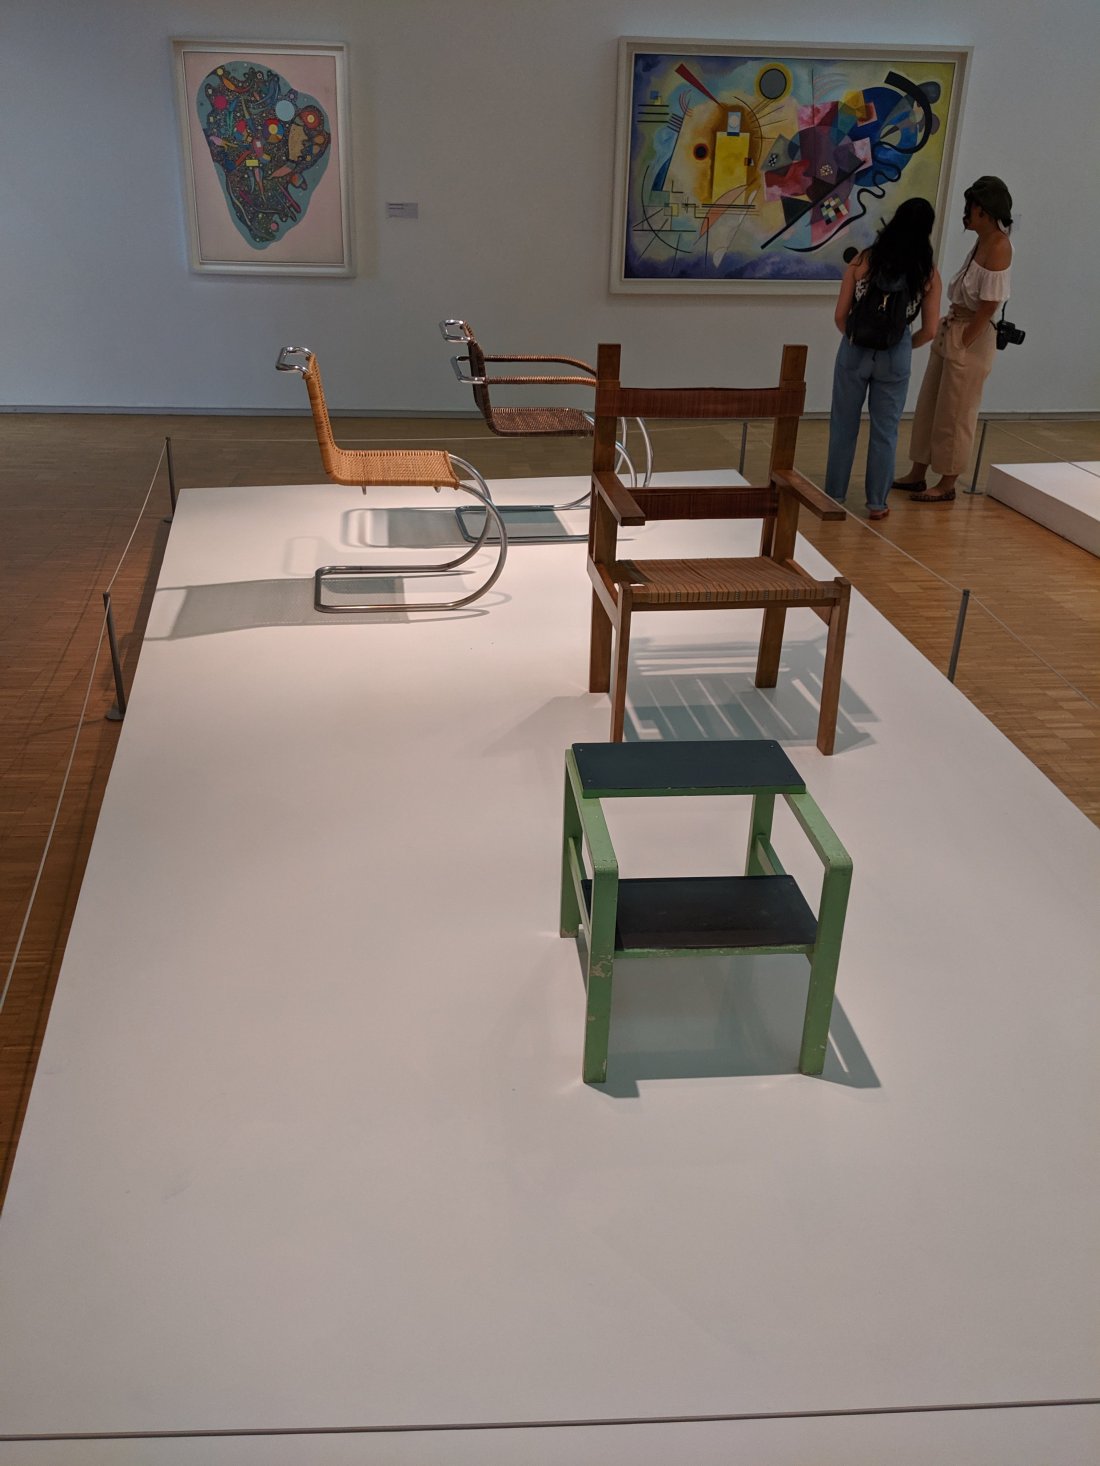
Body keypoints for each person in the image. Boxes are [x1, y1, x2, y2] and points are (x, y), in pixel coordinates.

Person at [894, 176, 1014, 502]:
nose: (967, 214)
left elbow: (989, 305)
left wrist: (964, 341)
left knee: (957, 411)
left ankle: (947, 482)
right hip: (955, 326)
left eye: (971, 207)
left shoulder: (999, 246)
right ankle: (918, 471)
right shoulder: (982, 241)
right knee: (931, 403)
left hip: (969, 333)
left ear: (984, 210)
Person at [824, 199, 941, 521]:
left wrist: (856, 337)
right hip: (895, 356)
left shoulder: (863, 261)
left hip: (854, 351)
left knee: (843, 426)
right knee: (885, 431)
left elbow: (840, 315)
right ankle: (877, 503)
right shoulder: (927, 273)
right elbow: (930, 330)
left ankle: (834, 495)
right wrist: (901, 345)